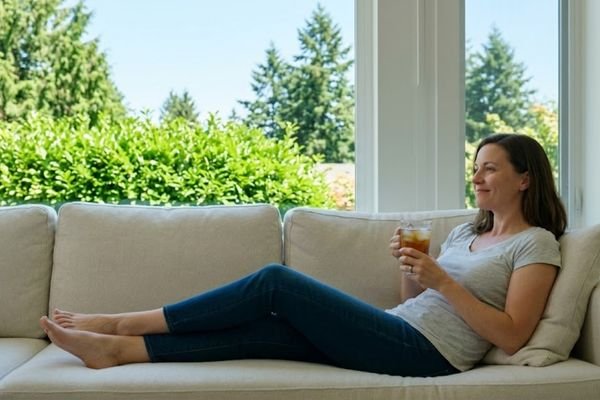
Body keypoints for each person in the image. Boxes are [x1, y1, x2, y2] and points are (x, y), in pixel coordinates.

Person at [40, 133, 567, 376]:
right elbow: (411, 300)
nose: (477, 176)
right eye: (475, 166)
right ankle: (119, 352)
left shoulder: (535, 243)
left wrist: (444, 282)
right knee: (269, 330)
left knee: (275, 282)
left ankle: (119, 324)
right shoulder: (461, 235)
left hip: (430, 356)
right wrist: (412, 271)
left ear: (525, 179)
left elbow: (514, 333)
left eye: (490, 168)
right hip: (402, 327)